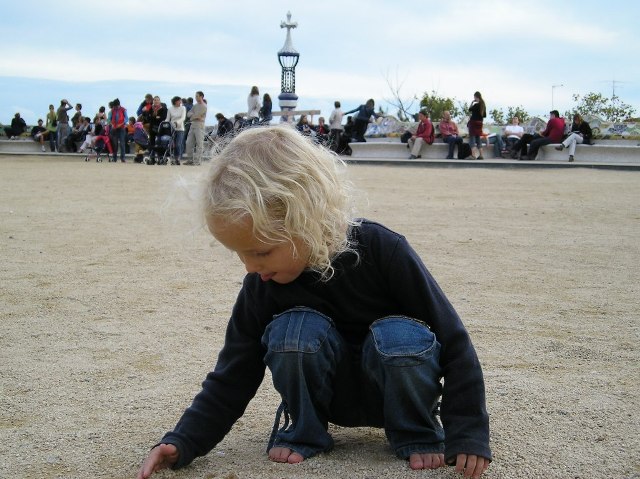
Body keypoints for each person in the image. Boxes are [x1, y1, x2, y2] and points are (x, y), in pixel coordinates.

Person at [136, 125, 492, 479]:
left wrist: (468, 432)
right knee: (294, 332)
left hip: (398, 391)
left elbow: (454, 342)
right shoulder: (263, 282)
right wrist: (185, 440)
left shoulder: (383, 249)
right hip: (326, 396)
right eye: (239, 254)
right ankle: (305, 429)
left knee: (400, 336)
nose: (250, 267)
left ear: (305, 219)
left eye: (260, 252)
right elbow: (234, 370)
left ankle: (417, 430)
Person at [184, 91, 208, 165]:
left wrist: (193, 116)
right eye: (195, 96)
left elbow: (197, 116)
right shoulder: (195, 105)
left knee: (199, 144)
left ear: (201, 96)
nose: (196, 97)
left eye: (197, 96)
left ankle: (197, 161)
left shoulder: (204, 106)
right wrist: (193, 116)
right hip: (193, 125)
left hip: (199, 126)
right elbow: (188, 114)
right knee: (188, 143)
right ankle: (190, 160)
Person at [165, 96, 186, 164]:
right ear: (175, 101)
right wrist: (165, 124)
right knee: (172, 144)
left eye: (181, 101)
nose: (180, 102)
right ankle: (174, 158)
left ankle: (178, 157)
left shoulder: (183, 108)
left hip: (180, 128)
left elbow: (183, 118)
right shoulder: (170, 109)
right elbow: (168, 118)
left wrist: (177, 122)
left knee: (178, 144)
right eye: (179, 101)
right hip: (172, 128)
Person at [468, 92, 486, 160]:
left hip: (473, 123)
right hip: (480, 123)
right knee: (478, 139)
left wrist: (472, 102)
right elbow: (484, 115)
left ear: (475, 97)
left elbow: (469, 109)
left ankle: (473, 155)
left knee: (472, 139)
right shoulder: (483, 105)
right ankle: (481, 155)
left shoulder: (476, 105)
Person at [109, 98, 128, 162]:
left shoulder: (123, 110)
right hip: (114, 128)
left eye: (115, 106)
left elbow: (126, 119)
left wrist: (121, 124)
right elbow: (109, 119)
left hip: (122, 128)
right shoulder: (112, 110)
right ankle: (114, 158)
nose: (115, 107)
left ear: (118, 105)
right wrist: (112, 124)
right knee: (115, 144)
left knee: (122, 143)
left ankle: (123, 158)